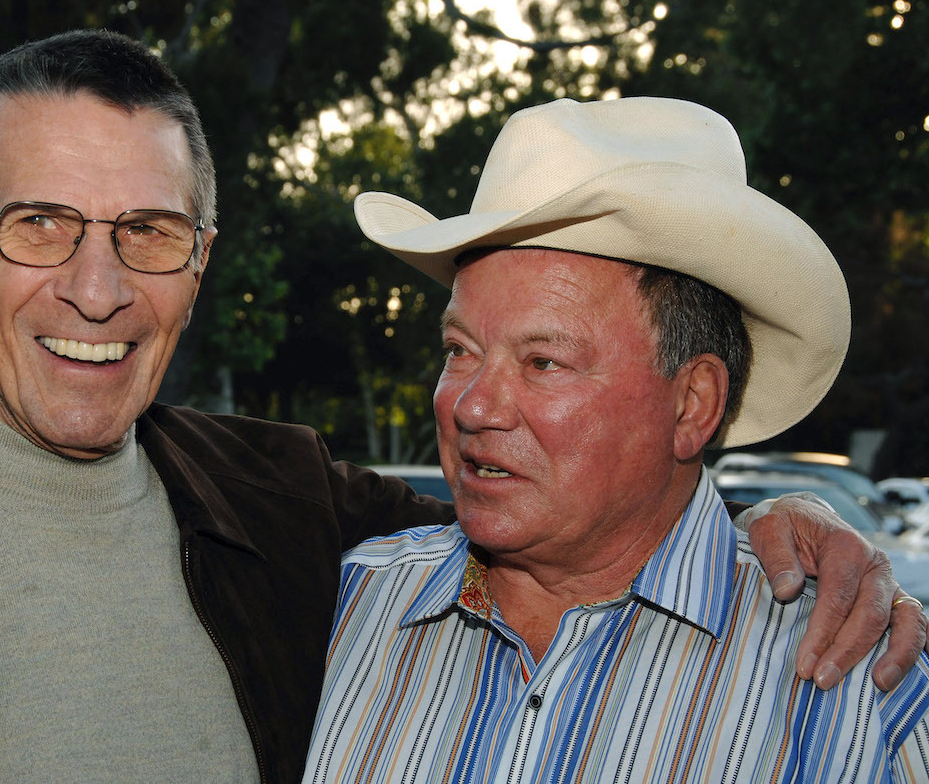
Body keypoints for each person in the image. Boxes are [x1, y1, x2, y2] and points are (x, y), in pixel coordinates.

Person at [0, 32, 919, 783]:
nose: (96, 288)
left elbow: (612, 523)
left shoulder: (301, 530)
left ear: (198, 266)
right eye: (37, 224)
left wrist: (802, 522)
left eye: (147, 233)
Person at [302, 96, 929, 782]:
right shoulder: (333, 614)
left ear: (692, 404)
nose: (473, 404)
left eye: (543, 362)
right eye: (459, 349)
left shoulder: (872, 697)